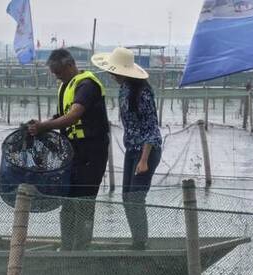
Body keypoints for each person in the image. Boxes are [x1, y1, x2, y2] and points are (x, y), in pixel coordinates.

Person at [28, 49, 109, 251]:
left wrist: (44, 126)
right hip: (73, 151)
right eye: (54, 73)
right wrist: (41, 125)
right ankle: (67, 247)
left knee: (84, 201)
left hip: (91, 151)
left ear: (70, 65)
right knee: (68, 202)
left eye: (59, 72)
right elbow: (61, 115)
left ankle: (81, 249)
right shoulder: (66, 86)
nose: (57, 76)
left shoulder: (86, 85)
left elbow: (73, 116)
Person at [91, 47, 163, 250]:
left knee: (136, 197)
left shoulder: (144, 93)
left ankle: (141, 243)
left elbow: (151, 127)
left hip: (147, 150)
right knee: (127, 197)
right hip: (132, 148)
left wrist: (144, 160)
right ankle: (138, 240)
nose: (112, 75)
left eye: (115, 71)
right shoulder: (124, 89)